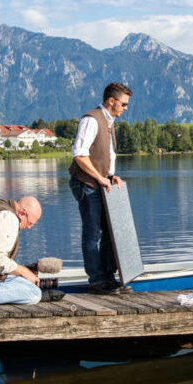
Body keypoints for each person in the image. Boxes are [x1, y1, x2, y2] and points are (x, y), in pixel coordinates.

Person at [69, 82, 134, 295]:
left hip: (101, 183)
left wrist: (111, 176)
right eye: (123, 104)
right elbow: (79, 155)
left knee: (109, 232)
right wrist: (99, 177)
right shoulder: (91, 120)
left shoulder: (108, 122)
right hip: (87, 185)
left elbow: (103, 157)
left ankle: (108, 278)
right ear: (111, 101)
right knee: (93, 233)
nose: (125, 108)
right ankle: (97, 281)